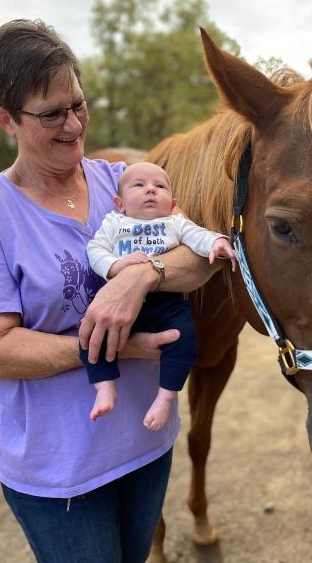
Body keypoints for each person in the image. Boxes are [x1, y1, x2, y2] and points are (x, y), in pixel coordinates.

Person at [0, 19, 224, 563]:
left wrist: (138, 277)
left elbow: (198, 255)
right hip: (61, 476)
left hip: (147, 445)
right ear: (5, 119)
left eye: (78, 104)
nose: (74, 125)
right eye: (51, 114)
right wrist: (119, 347)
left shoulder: (118, 180)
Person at [80, 162, 237, 429]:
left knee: (184, 340)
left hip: (165, 301)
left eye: (160, 186)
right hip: (117, 300)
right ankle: (104, 387)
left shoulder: (175, 222)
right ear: (119, 203)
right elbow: (95, 249)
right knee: (91, 337)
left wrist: (217, 241)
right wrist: (114, 266)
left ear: (172, 202)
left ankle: (165, 396)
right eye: (139, 185)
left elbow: (197, 235)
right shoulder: (115, 222)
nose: (150, 190)